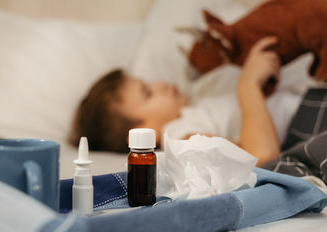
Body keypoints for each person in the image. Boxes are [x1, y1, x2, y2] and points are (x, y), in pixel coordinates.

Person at [69, 37, 281, 166]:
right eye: (148, 93)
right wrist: (248, 86)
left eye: (149, 84)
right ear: (141, 131)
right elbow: (260, 156)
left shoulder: (189, 115)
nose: (160, 83)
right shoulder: (181, 137)